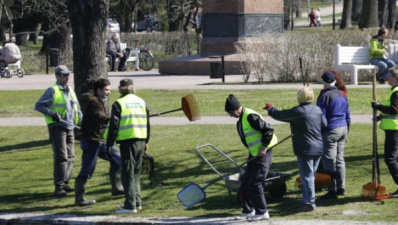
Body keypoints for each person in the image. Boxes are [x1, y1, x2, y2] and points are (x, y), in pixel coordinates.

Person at [265, 86, 327, 212]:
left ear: (299, 97)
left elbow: (280, 115)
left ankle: (309, 203)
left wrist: (270, 109)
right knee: (311, 176)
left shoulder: (298, 112)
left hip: (305, 149)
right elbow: (324, 124)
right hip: (319, 148)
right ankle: (309, 199)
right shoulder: (317, 110)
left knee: (307, 177)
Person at [224, 94, 277, 221]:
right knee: (246, 182)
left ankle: (262, 212)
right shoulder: (241, 118)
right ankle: (248, 210)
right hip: (255, 153)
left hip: (264, 152)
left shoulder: (250, 116)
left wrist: (264, 147)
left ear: (237, 109)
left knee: (256, 183)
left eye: (231, 112)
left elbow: (269, 130)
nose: (230, 115)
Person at [74, 78, 124, 206]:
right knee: (87, 169)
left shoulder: (100, 101)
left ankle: (117, 189)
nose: (108, 92)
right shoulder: (93, 102)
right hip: (91, 141)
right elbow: (99, 116)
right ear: (99, 90)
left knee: (117, 159)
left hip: (101, 141)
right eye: (106, 90)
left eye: (109, 90)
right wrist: (114, 119)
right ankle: (79, 199)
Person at [35, 65, 83, 197]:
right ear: (57, 76)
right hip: (57, 128)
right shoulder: (52, 90)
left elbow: (77, 109)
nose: (67, 77)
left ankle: (65, 182)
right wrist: (52, 114)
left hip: (70, 127)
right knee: (61, 157)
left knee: (71, 157)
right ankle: (59, 186)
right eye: (64, 75)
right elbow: (39, 105)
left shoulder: (71, 90)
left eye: (68, 74)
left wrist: (81, 123)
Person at [104, 78, 150, 214]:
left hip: (128, 142)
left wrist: (109, 143)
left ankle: (130, 206)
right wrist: (146, 141)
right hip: (141, 140)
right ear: (133, 88)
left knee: (127, 174)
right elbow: (147, 124)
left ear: (121, 89)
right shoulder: (142, 102)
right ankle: (137, 202)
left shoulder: (119, 103)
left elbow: (114, 126)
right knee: (135, 173)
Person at [316, 71, 351, 199]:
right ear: (335, 81)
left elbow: (322, 118)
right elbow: (348, 115)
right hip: (343, 128)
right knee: (340, 159)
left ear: (324, 82)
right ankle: (341, 187)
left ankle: (332, 189)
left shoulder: (324, 96)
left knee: (329, 160)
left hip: (330, 130)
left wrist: (319, 131)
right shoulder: (342, 95)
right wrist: (347, 131)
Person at [371, 68, 398, 198]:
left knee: (390, 159)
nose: (387, 78)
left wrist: (378, 106)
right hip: (393, 129)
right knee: (394, 159)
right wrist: (381, 116)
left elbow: (394, 110)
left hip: (394, 131)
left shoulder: (396, 92)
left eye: (389, 76)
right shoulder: (394, 91)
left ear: (394, 77)